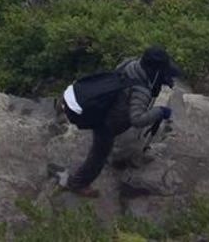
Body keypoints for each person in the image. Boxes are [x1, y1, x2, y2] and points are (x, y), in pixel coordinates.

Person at [59, 47, 179, 197]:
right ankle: (78, 183)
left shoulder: (130, 64)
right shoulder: (141, 91)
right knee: (99, 155)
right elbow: (137, 119)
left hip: (106, 109)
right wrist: (160, 111)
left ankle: (117, 156)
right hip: (107, 124)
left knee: (104, 148)